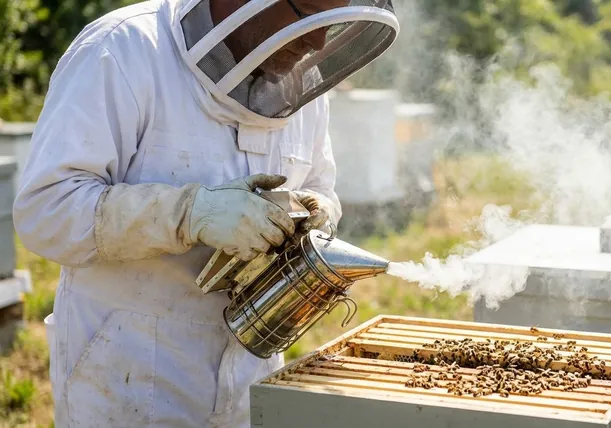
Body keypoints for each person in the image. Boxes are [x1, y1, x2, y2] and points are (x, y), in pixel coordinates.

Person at [12, 0, 398, 426]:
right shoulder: (122, 50)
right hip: (129, 383)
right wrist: (188, 213)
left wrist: (317, 210)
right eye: (306, 13)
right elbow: (47, 211)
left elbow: (320, 186)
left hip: (251, 380)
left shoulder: (300, 87)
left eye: (331, 20)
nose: (317, 40)